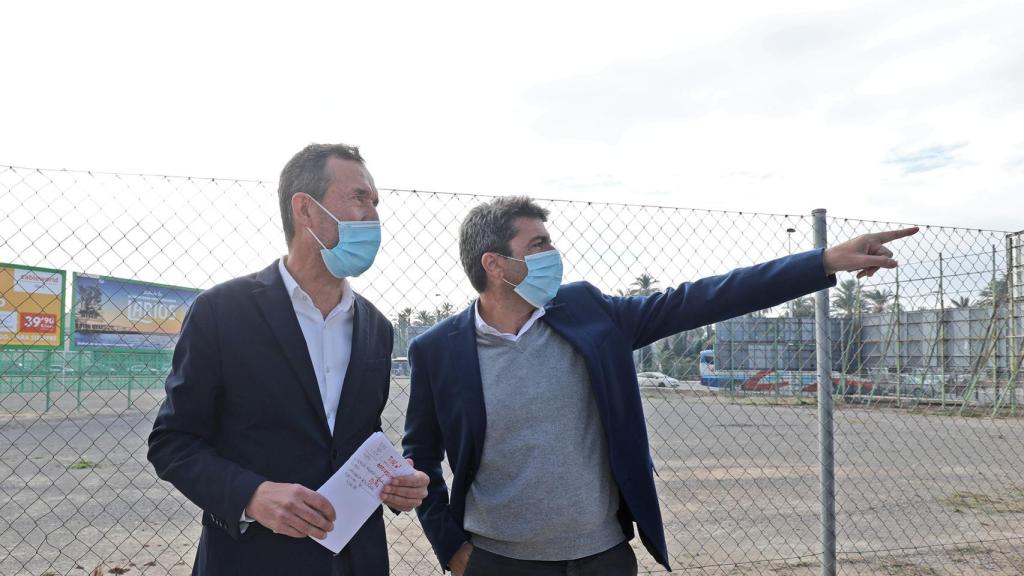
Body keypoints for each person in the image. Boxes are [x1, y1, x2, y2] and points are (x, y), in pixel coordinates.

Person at [402, 196, 917, 575]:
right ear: (495, 265)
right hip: (498, 562)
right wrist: (453, 550)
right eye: (538, 245)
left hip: (602, 558)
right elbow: (419, 457)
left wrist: (822, 261)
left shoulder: (588, 311)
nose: (553, 254)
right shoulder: (438, 349)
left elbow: (702, 298)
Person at [148, 143, 429, 576]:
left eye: (376, 202)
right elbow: (173, 442)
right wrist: (251, 495)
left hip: (357, 559)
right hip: (253, 560)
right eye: (359, 198)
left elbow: (355, 436)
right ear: (305, 209)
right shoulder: (222, 311)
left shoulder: (375, 326)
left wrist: (395, 480)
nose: (374, 216)